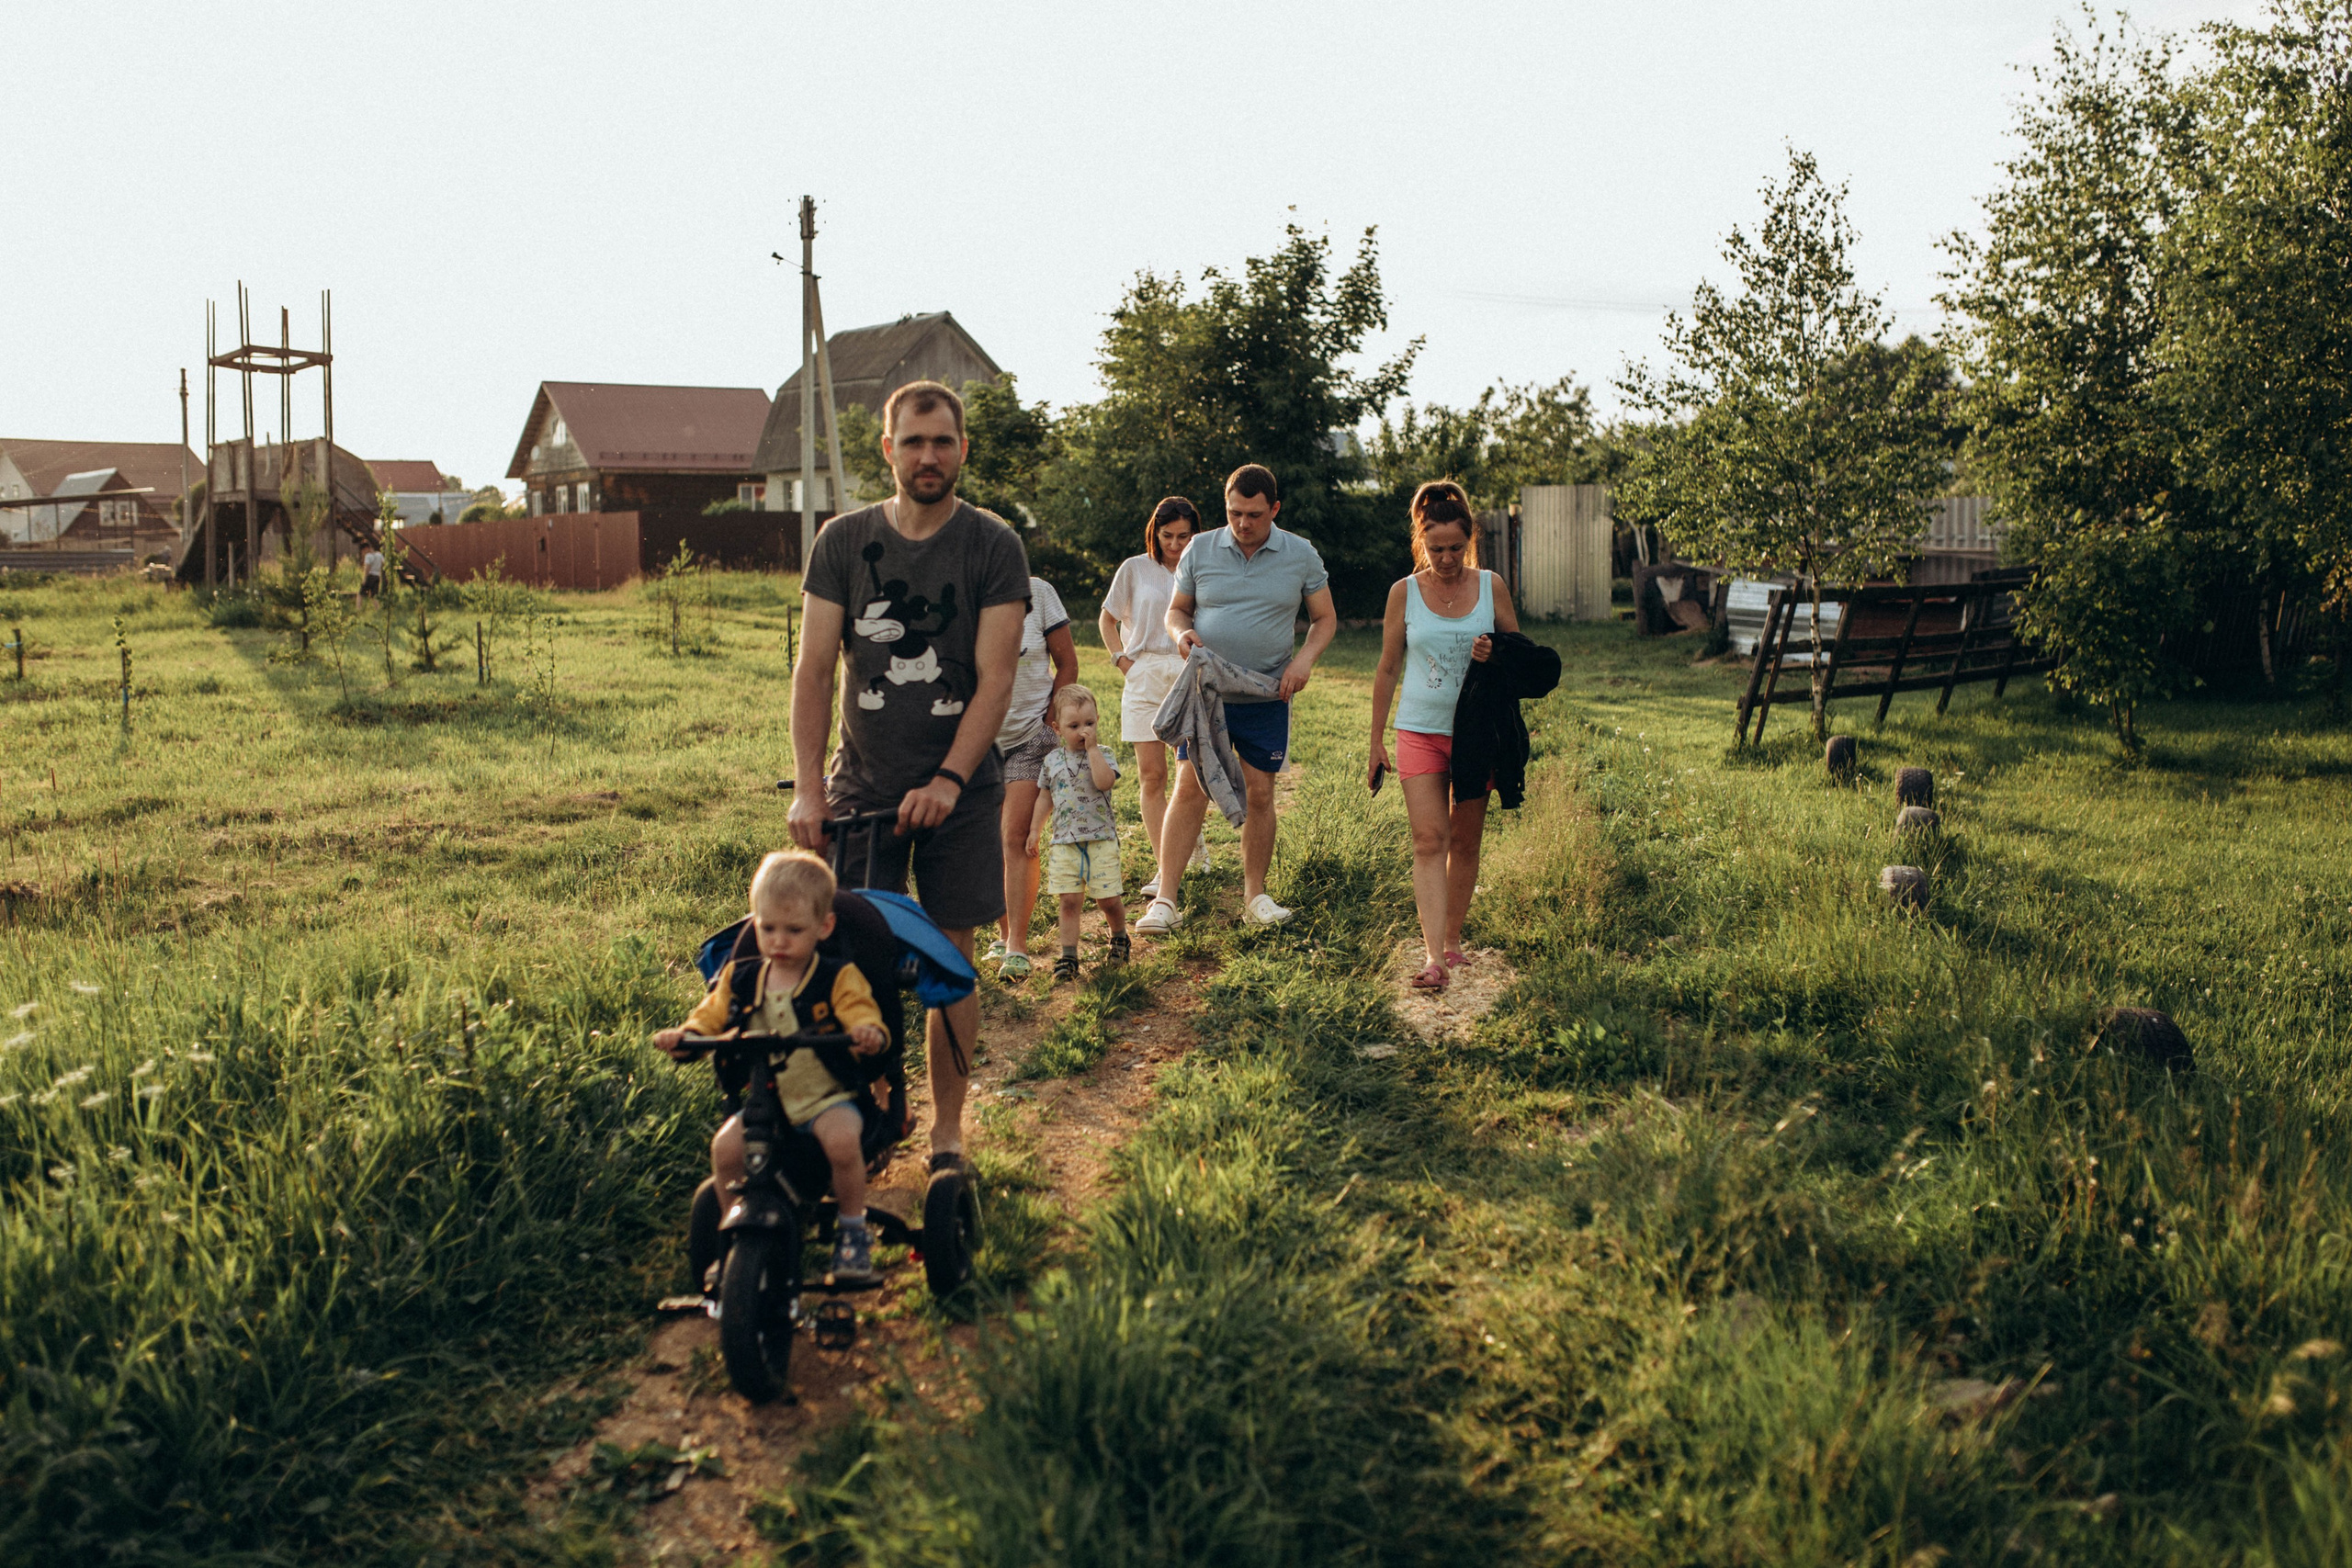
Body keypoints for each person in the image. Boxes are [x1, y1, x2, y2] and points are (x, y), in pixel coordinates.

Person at [789, 379, 1028, 1177]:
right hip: (861, 790)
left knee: (949, 959)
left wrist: (952, 780)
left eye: (944, 442)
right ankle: (863, 1116)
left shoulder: (992, 545)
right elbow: (815, 668)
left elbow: (995, 677)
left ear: (963, 449)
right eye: (914, 441)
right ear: (887, 450)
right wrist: (809, 789)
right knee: (848, 953)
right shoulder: (842, 542)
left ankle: (948, 1134)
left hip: (960, 793)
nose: (930, 456)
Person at [653, 851, 889, 1285]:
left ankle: (852, 1231)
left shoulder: (837, 977)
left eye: (794, 930)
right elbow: (710, 1016)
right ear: (755, 924)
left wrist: (867, 1031)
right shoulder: (740, 978)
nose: (779, 941)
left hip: (828, 1096)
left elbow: (861, 1011)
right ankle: (735, 1230)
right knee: (725, 1150)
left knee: (840, 1142)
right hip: (771, 1103)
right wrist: (685, 1036)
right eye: (767, 929)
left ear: (824, 928)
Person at [1135, 464, 1338, 936]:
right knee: (1189, 787)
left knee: (1261, 792)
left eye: (1253, 514)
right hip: (1208, 692)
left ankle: (1255, 896)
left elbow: (1324, 619)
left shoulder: (1300, 554)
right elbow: (1177, 609)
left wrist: (1303, 661)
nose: (1243, 523)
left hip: (1268, 691)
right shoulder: (1201, 548)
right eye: (1234, 513)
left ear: (1274, 509)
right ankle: (1165, 899)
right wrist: (1181, 632)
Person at [1366, 480, 1521, 990]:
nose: (1447, 558)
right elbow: (1388, 668)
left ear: (1469, 540)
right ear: (1421, 541)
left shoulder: (1491, 586)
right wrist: (1375, 741)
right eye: (1436, 549)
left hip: (1477, 734)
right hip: (1419, 730)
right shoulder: (1402, 593)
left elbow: (1520, 657)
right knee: (1429, 840)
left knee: (1465, 840)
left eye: (1456, 548)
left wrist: (1495, 652)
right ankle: (1433, 956)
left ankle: (1453, 940)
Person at [1099, 497, 1208, 901]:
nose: (1176, 545)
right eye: (1168, 536)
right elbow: (1107, 617)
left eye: (1184, 536)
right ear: (1154, 533)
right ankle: (1166, 869)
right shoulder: (1135, 568)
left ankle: (1190, 843)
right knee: (1152, 776)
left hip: (1187, 672)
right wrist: (1122, 660)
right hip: (1142, 672)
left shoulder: (1203, 567)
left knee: (1190, 774)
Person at [989, 575, 1078, 979]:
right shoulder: (955, 593)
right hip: (978, 741)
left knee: (1016, 835)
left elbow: (1068, 663)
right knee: (987, 838)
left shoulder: (1038, 593)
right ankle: (1002, 932)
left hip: (1030, 736)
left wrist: (1050, 722)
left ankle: (1017, 946)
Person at [1024, 683, 1129, 980]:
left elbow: (1104, 782)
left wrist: (1094, 749)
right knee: (1069, 901)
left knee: (1107, 900)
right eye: (1074, 726)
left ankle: (1119, 935)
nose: (1083, 731)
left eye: (1090, 724)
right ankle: (1068, 957)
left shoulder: (1104, 754)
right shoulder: (1052, 762)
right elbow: (1045, 798)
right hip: (1064, 844)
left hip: (1101, 840)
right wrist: (1035, 830)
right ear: (1057, 728)